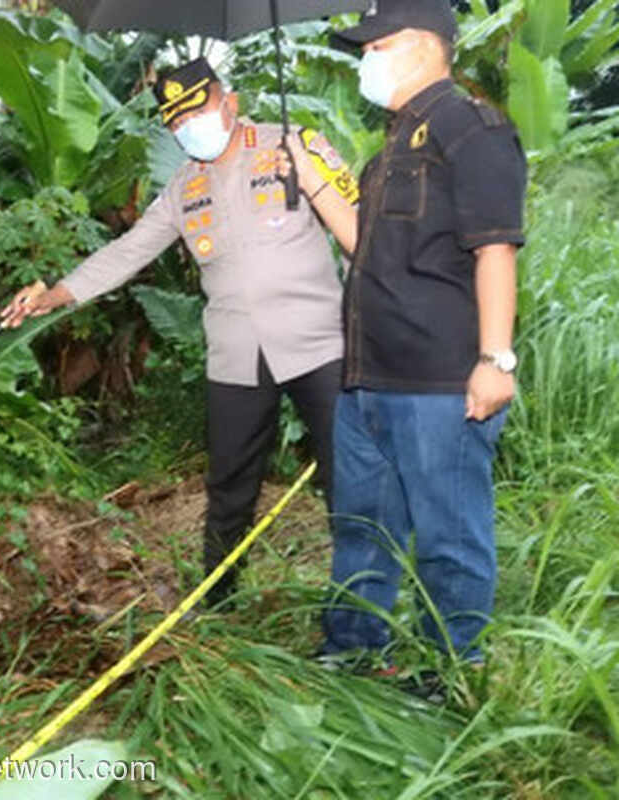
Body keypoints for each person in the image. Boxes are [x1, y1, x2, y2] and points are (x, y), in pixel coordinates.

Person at [1, 58, 359, 608]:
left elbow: (363, 226)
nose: (188, 127)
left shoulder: (295, 145)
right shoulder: (183, 189)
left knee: (349, 476)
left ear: (229, 102)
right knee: (230, 485)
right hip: (238, 355)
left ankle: (358, 605)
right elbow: (127, 251)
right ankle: (217, 600)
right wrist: (54, 293)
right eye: (176, 120)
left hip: (320, 345)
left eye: (199, 110)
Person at [285, 0, 527, 663]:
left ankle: (450, 670)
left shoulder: (471, 131)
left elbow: (495, 250)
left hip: (440, 379)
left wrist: (495, 359)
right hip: (368, 377)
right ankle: (354, 647)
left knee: (449, 535)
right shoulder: (390, 146)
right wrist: (314, 184)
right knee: (362, 528)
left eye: (374, 47)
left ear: (423, 46)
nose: (365, 60)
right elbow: (365, 243)